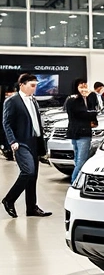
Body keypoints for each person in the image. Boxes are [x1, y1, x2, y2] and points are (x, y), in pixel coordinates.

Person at [2, 73, 52, 218]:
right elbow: (6, 123)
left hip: (34, 142)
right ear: (22, 85)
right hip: (21, 142)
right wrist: (12, 141)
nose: (35, 88)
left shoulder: (33, 101)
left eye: (36, 85)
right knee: (28, 172)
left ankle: (31, 208)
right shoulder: (12, 101)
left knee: (33, 176)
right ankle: (9, 200)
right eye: (32, 85)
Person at [66, 78, 100, 184]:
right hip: (79, 133)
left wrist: (91, 96)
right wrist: (92, 113)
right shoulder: (73, 99)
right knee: (81, 160)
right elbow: (86, 113)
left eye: (85, 86)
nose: (84, 88)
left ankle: (76, 180)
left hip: (82, 132)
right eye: (81, 86)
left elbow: (95, 108)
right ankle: (74, 182)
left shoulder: (87, 98)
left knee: (78, 159)